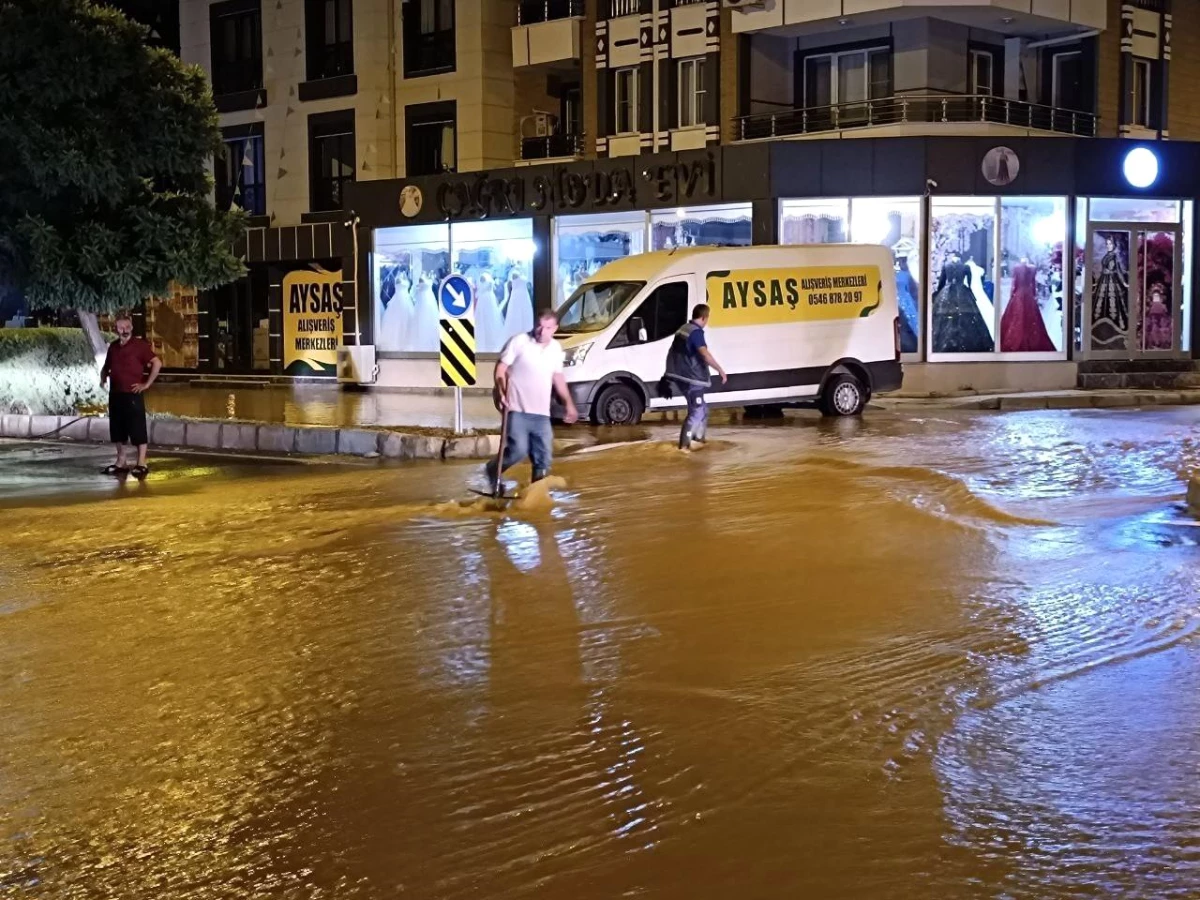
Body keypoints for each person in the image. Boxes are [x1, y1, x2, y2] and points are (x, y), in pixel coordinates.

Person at [486, 310, 579, 491]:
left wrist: (569, 404)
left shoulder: (555, 349)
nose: (541, 331)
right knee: (518, 451)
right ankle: (493, 469)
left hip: (542, 413)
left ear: (555, 329)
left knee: (543, 457)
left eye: (547, 328)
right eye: (539, 325)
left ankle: (535, 494)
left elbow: (558, 378)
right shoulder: (519, 341)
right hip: (517, 409)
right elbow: (501, 368)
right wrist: (500, 390)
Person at [99, 315, 161, 479]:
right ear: (116, 329)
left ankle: (141, 462)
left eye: (127, 327)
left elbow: (157, 363)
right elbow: (106, 366)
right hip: (116, 393)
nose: (124, 330)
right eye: (121, 327)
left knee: (137, 427)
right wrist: (103, 378)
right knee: (117, 428)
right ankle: (121, 461)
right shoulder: (113, 347)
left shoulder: (140, 346)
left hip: (133, 394)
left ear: (132, 328)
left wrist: (146, 384)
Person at [664, 304, 727, 450]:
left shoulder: (683, 328)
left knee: (703, 409)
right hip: (692, 378)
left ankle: (698, 441)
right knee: (697, 410)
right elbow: (704, 354)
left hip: (680, 376)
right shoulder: (696, 333)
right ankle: (684, 447)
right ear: (704, 317)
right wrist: (720, 370)